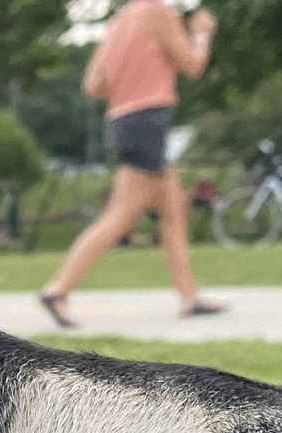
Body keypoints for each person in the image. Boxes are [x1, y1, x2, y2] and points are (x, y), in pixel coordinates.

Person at [39, 0, 224, 326]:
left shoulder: (120, 22)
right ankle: (58, 290)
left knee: (174, 208)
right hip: (148, 121)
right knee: (121, 216)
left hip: (123, 122)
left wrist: (130, 76)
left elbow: (93, 85)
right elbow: (192, 65)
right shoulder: (158, 13)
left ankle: (189, 297)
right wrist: (201, 34)